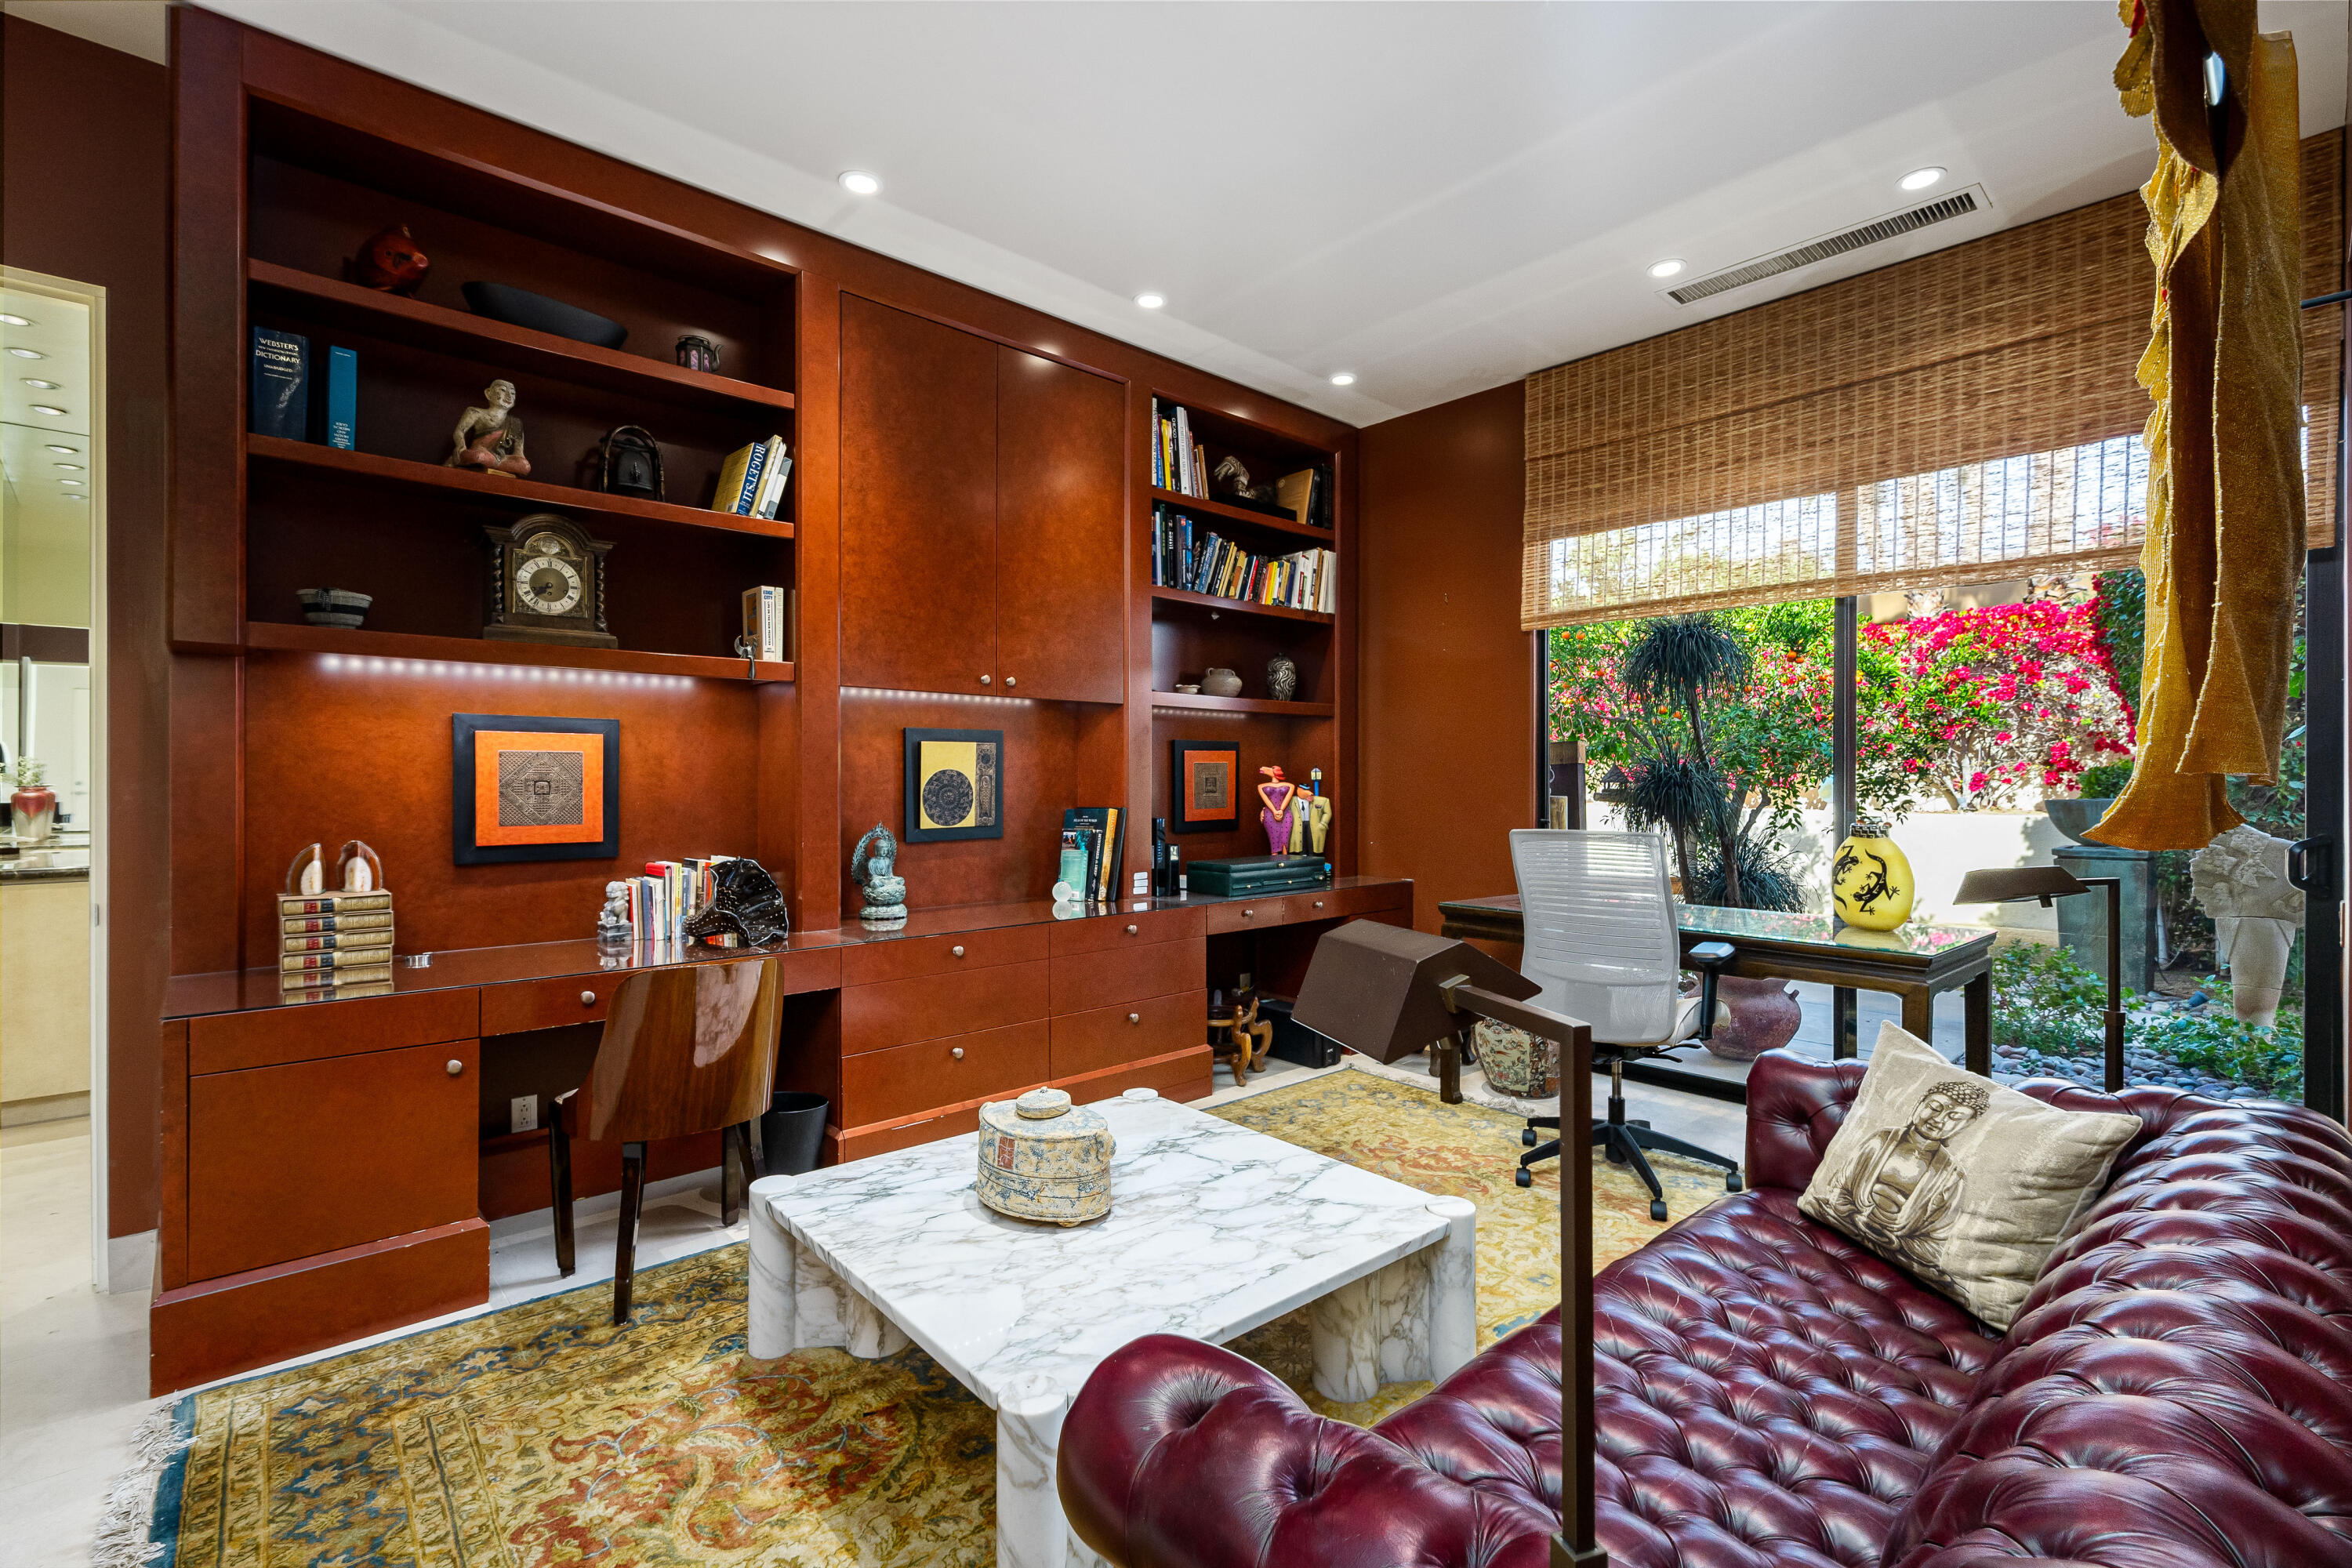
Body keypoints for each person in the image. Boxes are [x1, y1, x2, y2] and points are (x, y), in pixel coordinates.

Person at [1820, 1077, 1991, 1275]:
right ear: (1919, 1104)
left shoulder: (1953, 1177)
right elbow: (1838, 1188)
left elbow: (1934, 1245)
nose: (1939, 1119)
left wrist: (1894, 1241)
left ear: (1965, 1126)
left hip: (1898, 1249)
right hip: (1844, 1221)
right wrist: (1853, 1216)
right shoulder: (1881, 1140)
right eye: (1934, 1107)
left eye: (1954, 1117)